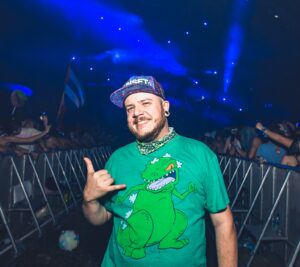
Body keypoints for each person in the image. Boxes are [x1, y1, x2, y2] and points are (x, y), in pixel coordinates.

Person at [82, 76, 237, 267]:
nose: (136, 112)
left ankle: (168, 239)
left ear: (165, 107)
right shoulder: (117, 159)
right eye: (130, 108)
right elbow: (100, 218)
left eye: (145, 103)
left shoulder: (200, 154)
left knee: (178, 218)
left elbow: (223, 222)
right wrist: (90, 200)